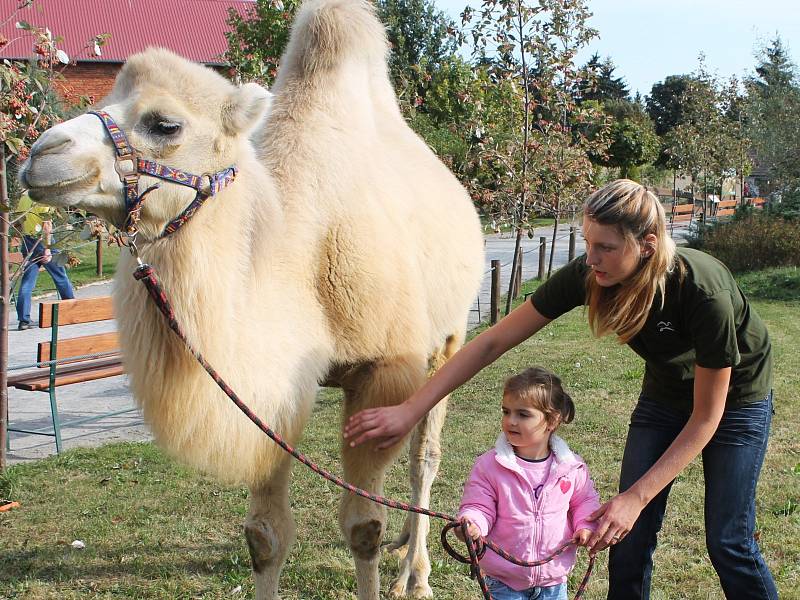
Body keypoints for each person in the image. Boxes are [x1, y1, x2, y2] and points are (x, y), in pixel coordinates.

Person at [344, 179, 778, 600]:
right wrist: (411, 409)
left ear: (646, 244)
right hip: (666, 392)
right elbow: (493, 341)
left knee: (728, 542)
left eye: (605, 247)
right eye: (587, 242)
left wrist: (637, 497)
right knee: (625, 536)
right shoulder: (590, 274)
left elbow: (706, 416)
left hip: (737, 401)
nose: (591, 258)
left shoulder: (703, 292)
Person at [456, 367, 600, 600]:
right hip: (505, 582)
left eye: (523, 414)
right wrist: (472, 524)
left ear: (552, 420)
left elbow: (584, 501)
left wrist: (585, 525)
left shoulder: (570, 467)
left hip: (554, 581)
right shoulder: (490, 467)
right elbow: (480, 506)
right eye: (506, 412)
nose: (511, 421)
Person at [15, 192, 75, 330]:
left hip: (28, 242)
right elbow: (47, 225)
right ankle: (71, 309)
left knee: (27, 281)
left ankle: (24, 320)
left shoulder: (24, 198)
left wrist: (24, 238)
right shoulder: (42, 198)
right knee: (60, 276)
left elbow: (18, 223)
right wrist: (47, 249)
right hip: (42, 241)